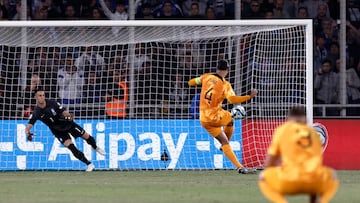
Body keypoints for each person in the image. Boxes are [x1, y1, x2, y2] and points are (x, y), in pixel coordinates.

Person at [188, 60, 258, 174]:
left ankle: (240, 167)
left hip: (203, 118)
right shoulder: (225, 85)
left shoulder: (207, 77)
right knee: (230, 119)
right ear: (228, 70)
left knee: (224, 141)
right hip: (214, 116)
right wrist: (248, 96)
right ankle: (233, 159)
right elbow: (232, 99)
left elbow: (191, 82)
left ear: (217, 68)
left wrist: (196, 81)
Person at [258, 106, 339, 203]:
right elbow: (316, 165)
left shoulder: (282, 130)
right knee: (333, 176)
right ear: (305, 120)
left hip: (289, 181)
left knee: (263, 176)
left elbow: (269, 163)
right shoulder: (314, 134)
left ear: (288, 120)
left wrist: (275, 171)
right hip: (313, 182)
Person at [24, 88, 105, 172]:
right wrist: (28, 133)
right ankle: (89, 164)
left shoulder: (53, 103)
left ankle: (95, 147)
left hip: (68, 124)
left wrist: (68, 116)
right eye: (40, 96)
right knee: (72, 148)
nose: (42, 97)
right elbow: (29, 125)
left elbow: (64, 112)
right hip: (58, 131)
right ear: (35, 97)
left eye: (43, 95)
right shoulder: (36, 112)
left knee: (87, 137)